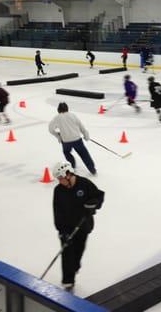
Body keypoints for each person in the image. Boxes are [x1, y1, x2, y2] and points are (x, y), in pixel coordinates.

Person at [52, 161, 104, 292]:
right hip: (67, 228)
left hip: (83, 226)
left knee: (78, 252)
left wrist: (94, 203)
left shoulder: (84, 184)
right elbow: (57, 211)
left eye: (61, 178)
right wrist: (61, 231)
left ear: (68, 174)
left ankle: (74, 267)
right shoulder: (58, 191)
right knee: (67, 254)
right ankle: (68, 282)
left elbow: (99, 195)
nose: (60, 181)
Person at [48, 102, 97, 175]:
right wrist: (85, 134)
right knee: (84, 154)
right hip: (77, 140)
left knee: (66, 152)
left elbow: (50, 129)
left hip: (66, 141)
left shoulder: (57, 118)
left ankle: (72, 166)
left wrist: (58, 136)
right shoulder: (73, 115)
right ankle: (92, 169)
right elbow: (81, 126)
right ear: (67, 108)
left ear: (58, 110)